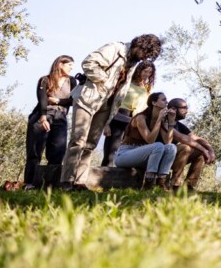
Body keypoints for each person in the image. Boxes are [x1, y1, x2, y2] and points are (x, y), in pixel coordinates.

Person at [59, 34, 163, 190]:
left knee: (90, 144)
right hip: (87, 99)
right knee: (78, 140)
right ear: (140, 45)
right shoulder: (115, 48)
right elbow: (88, 62)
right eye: (145, 54)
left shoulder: (133, 62)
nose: (144, 58)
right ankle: (66, 181)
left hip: (106, 105)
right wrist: (105, 81)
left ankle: (80, 182)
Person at [23, 55, 79, 188]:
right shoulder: (45, 80)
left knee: (58, 152)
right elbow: (42, 99)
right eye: (69, 65)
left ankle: (50, 184)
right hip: (42, 115)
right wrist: (43, 118)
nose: (71, 68)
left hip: (60, 117)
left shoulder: (72, 81)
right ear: (60, 64)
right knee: (35, 151)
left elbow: (73, 100)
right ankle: (29, 183)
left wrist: (58, 101)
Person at [113, 91, 178, 189]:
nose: (167, 102)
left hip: (143, 157)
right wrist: (159, 120)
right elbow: (150, 140)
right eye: (163, 99)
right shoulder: (141, 118)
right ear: (154, 103)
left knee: (171, 147)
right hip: (124, 155)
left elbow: (168, 142)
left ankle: (161, 182)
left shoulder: (162, 119)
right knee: (158, 146)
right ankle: (148, 183)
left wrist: (171, 122)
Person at [101, 61, 154, 167]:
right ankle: (105, 171)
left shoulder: (148, 88)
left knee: (128, 149)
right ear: (139, 70)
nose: (147, 75)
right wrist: (107, 124)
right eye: (145, 71)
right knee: (111, 150)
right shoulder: (126, 82)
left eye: (150, 73)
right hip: (119, 116)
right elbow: (113, 101)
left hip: (135, 120)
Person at [168, 98, 215, 191]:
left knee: (199, 152)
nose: (186, 111)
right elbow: (182, 138)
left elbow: (196, 138)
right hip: (160, 155)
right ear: (173, 109)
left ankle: (189, 185)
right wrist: (204, 150)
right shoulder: (165, 121)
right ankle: (175, 185)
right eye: (184, 108)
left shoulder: (180, 125)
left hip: (171, 156)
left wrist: (210, 150)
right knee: (185, 148)